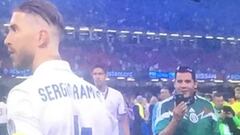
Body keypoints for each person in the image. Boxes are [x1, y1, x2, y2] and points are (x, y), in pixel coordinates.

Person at [4, 0, 114, 135]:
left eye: (14, 29)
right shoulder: (97, 96)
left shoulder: (24, 95)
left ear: (41, 37)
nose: (7, 40)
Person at [152, 66, 219, 135]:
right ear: (174, 83)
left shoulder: (207, 105)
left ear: (195, 84)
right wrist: (175, 120)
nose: (183, 85)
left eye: (187, 81)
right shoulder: (163, 106)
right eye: (179, 81)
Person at [91, 65, 130, 135]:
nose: (97, 77)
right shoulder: (88, 94)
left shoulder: (117, 95)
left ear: (105, 76)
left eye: (100, 74)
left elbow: (124, 119)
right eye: (95, 74)